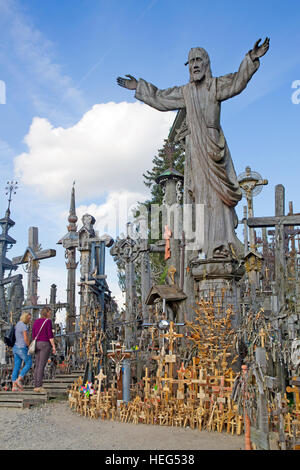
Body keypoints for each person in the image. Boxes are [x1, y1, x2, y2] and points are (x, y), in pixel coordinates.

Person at [117, 38, 270, 261]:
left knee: (219, 198)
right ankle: (208, 246)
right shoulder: (185, 92)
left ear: (207, 64)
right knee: (201, 197)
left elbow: (238, 82)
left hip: (212, 146)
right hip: (196, 152)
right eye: (190, 62)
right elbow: (161, 98)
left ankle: (224, 243)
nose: (194, 65)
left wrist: (251, 58)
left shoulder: (216, 86)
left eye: (198, 60)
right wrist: (139, 87)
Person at [32, 307, 56, 393]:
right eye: (50, 312)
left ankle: (35, 385)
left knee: (37, 365)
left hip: (37, 344)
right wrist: (53, 346)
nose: (51, 314)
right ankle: (39, 386)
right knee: (42, 365)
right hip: (45, 344)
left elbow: (33, 334)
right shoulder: (48, 321)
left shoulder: (36, 322)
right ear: (47, 313)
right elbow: (50, 335)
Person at [11, 312, 32, 391]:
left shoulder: (17, 325)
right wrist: (29, 346)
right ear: (25, 318)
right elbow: (25, 338)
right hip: (22, 348)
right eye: (28, 318)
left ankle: (14, 386)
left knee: (17, 365)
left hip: (15, 348)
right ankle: (19, 379)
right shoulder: (24, 326)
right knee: (29, 362)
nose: (29, 320)